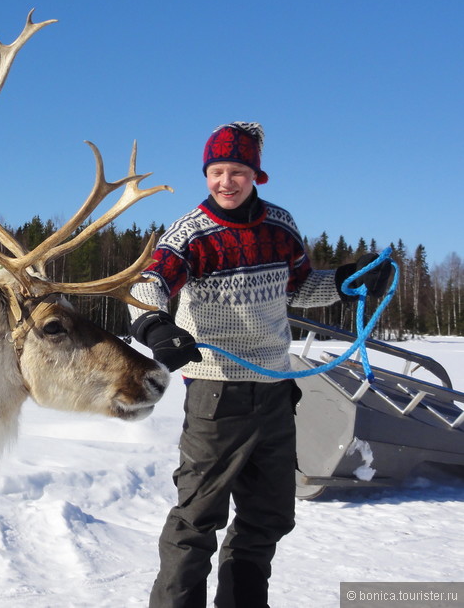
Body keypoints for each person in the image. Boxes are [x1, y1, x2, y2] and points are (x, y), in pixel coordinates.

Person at [128, 122, 392, 608]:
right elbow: (147, 287)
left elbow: (301, 288)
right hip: (217, 392)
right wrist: (155, 328)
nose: (226, 182)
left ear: (256, 175)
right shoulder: (193, 233)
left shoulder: (280, 226)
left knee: (267, 516)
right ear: (206, 174)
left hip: (274, 391)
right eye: (217, 171)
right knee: (197, 521)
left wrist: (348, 280)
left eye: (237, 172)